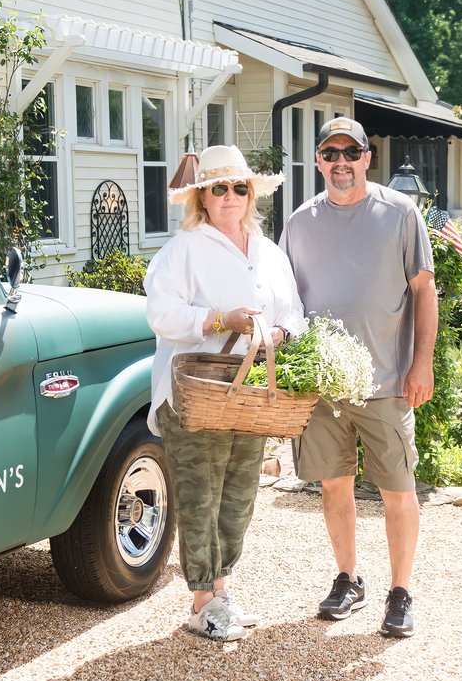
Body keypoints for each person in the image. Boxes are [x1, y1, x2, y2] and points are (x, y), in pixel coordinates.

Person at [280, 117, 437, 638]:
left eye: (352, 152)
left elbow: (424, 292)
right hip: (322, 386)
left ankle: (401, 591)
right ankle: (348, 578)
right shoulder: (300, 222)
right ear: (319, 160)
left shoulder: (399, 213)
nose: (341, 162)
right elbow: (285, 302)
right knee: (334, 487)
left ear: (368, 158)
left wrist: (422, 363)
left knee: (397, 489)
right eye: (331, 153)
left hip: (386, 381)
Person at [144, 144, 307, 642]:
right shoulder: (183, 249)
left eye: (240, 187)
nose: (231, 196)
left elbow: (295, 310)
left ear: (251, 192)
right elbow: (161, 314)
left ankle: (221, 593)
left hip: (250, 394)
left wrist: (281, 333)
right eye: (219, 188)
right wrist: (220, 320)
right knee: (200, 497)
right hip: (196, 395)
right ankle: (201, 604)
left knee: (238, 496)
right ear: (203, 197)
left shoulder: (269, 252)